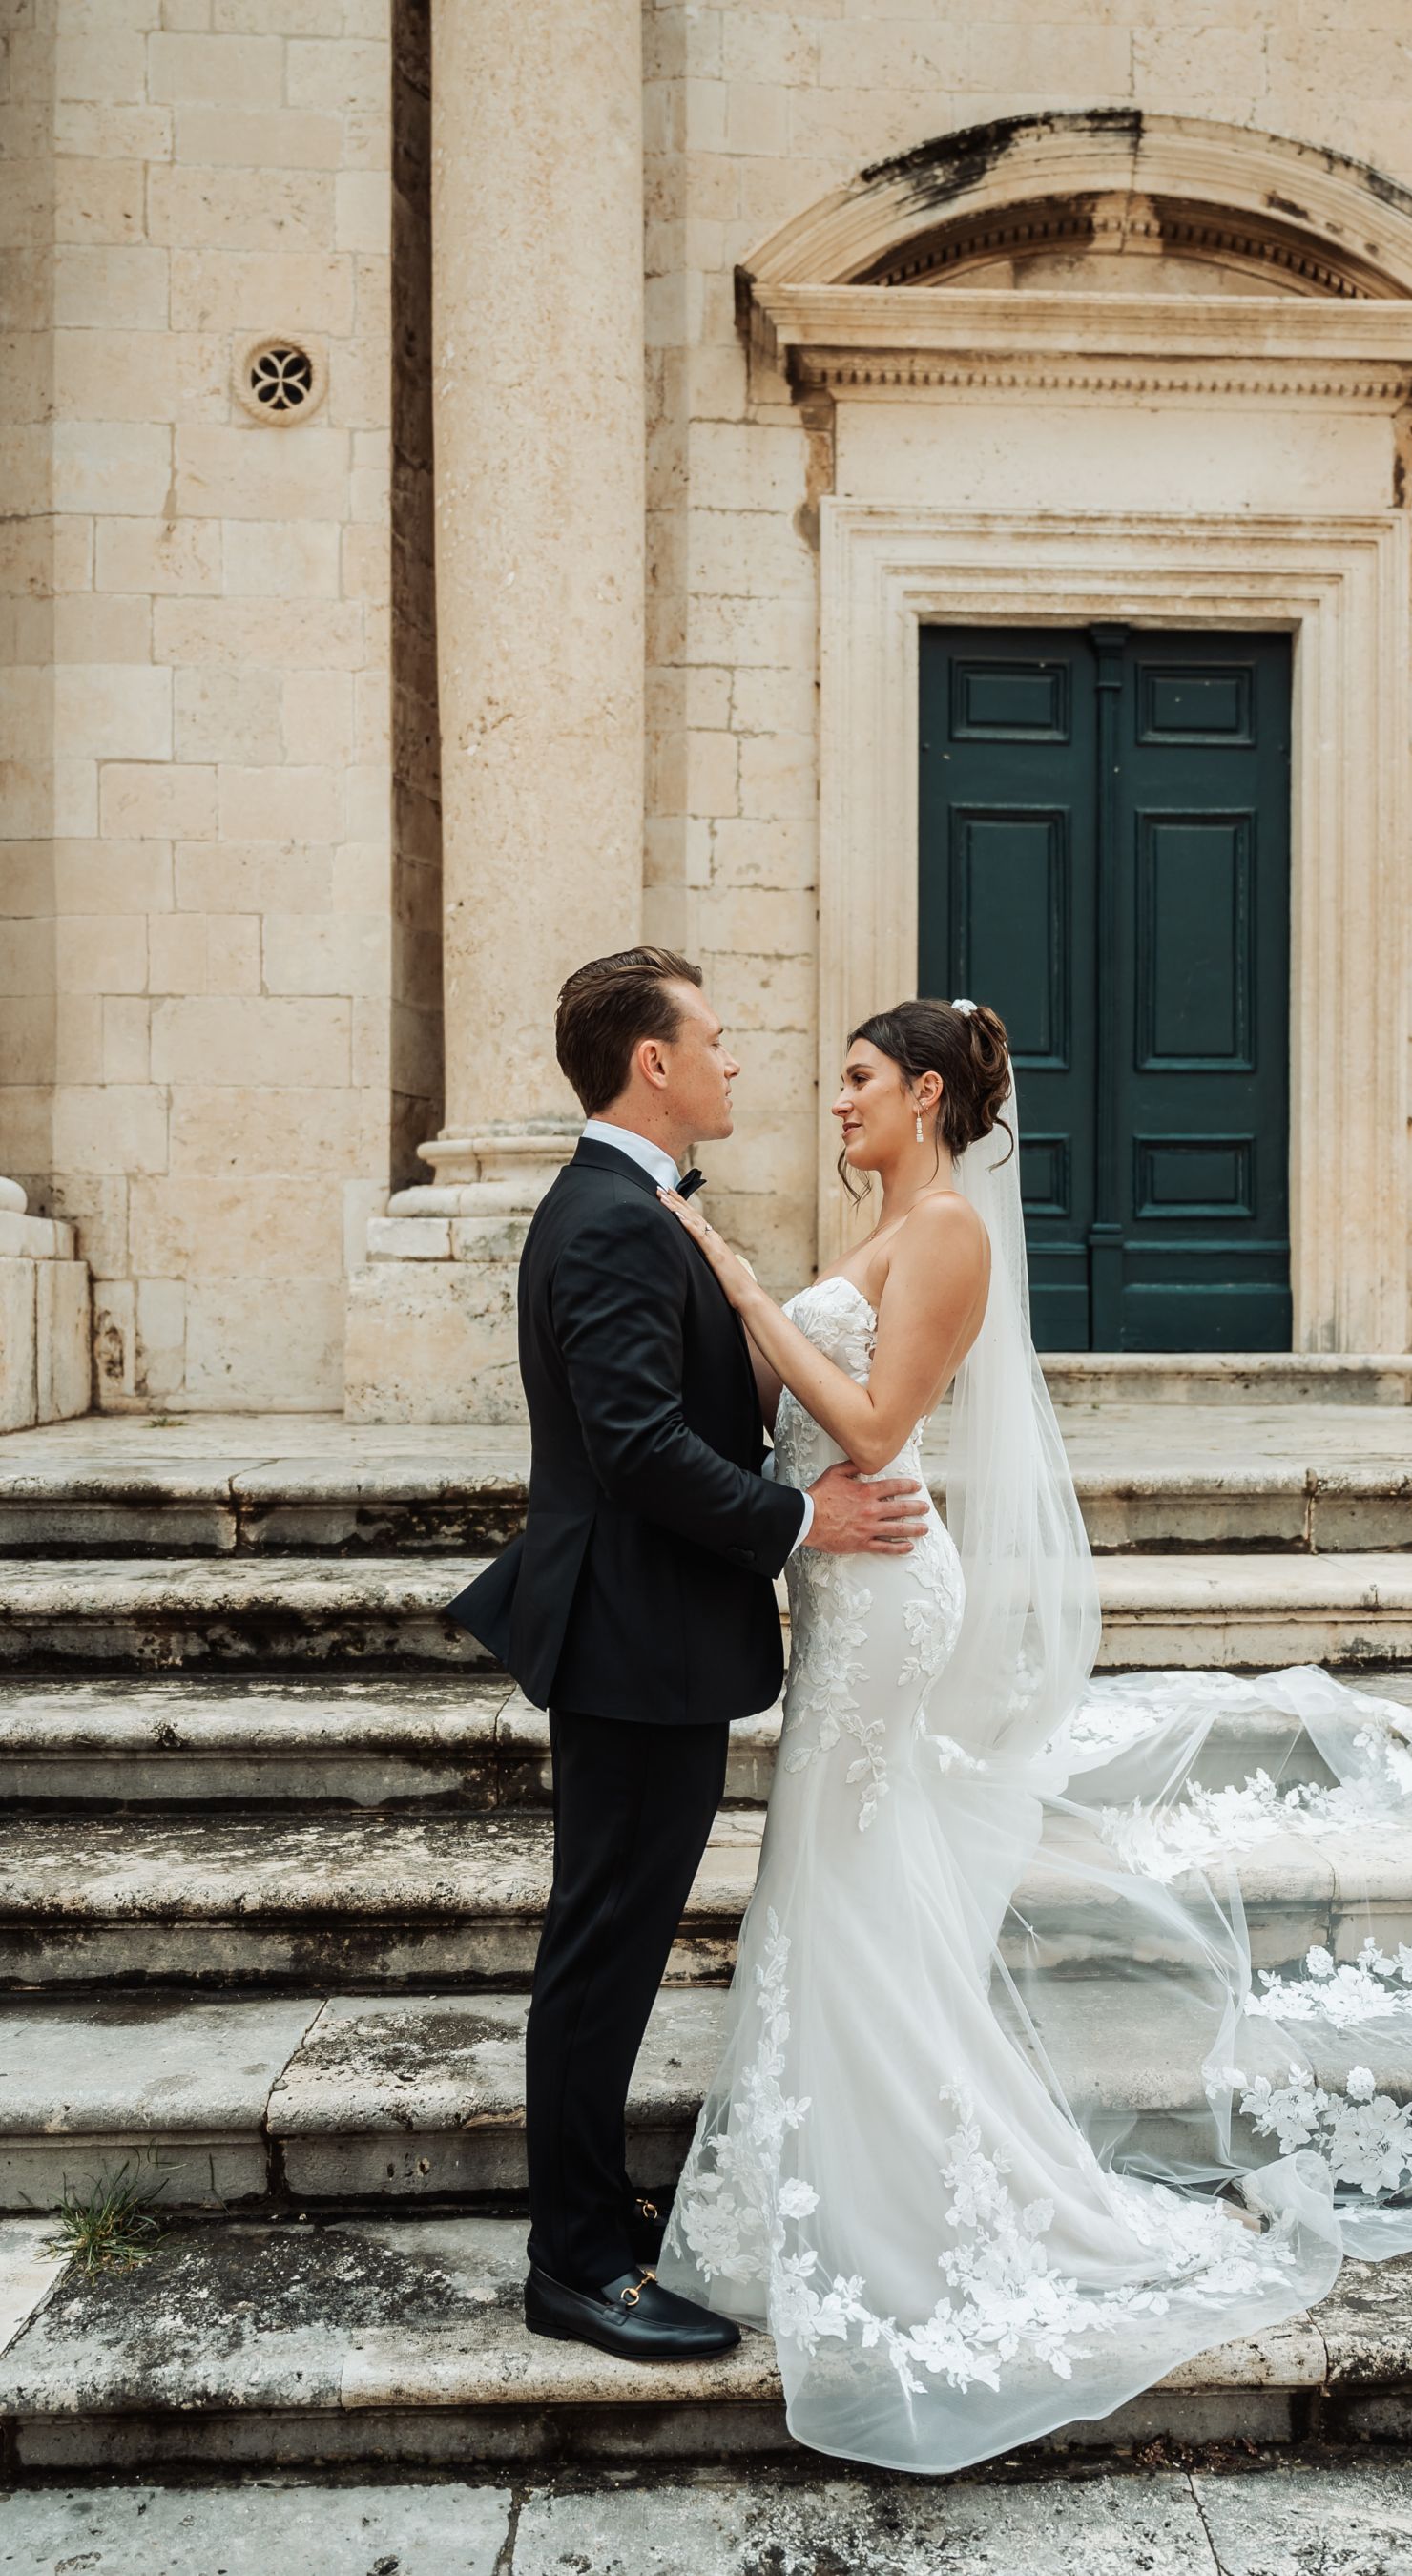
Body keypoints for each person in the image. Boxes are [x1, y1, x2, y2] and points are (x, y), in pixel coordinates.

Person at [651, 992, 1412, 2476]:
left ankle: (894, 2197)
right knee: (833, 1890)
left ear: (934, 1095)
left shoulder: (948, 1229)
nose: (836, 1103)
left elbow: (883, 1429)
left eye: (859, 1081)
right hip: (841, 1592)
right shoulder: (891, 1227)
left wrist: (756, 1300)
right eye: (839, 1082)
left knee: (835, 1885)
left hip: (885, 1594)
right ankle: (814, 2182)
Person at [447, 946, 929, 2363]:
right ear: (650, 1063)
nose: (736, 1062)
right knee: (601, 1949)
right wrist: (803, 1517)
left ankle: (594, 2214)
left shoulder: (638, 1207)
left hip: (661, 1637)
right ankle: (577, 2264)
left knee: (622, 1939)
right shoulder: (603, 1218)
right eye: (714, 1041)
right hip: (631, 1639)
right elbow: (637, 1447)